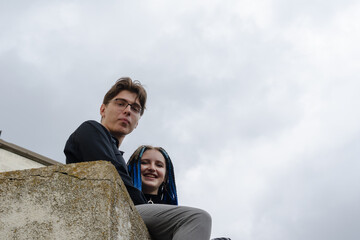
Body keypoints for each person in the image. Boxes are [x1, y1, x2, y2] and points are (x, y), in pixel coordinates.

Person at [64, 77, 212, 240]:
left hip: (126, 212)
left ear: (137, 123)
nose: (127, 110)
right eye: (120, 103)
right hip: (111, 211)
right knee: (197, 218)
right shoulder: (91, 129)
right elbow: (115, 180)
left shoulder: (118, 154)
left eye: (135, 108)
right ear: (103, 109)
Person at [128, 145, 231, 240]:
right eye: (144, 162)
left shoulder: (176, 218)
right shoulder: (186, 219)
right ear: (132, 168)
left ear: (166, 176)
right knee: (200, 217)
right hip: (131, 211)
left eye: (159, 165)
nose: (152, 168)